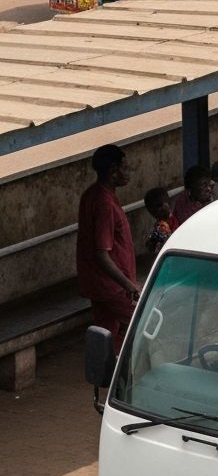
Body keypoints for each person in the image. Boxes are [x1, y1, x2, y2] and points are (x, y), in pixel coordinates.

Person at [77, 145, 139, 352]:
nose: (128, 172)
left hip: (99, 283)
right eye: (126, 168)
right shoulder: (104, 202)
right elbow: (102, 254)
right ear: (114, 170)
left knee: (109, 334)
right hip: (112, 285)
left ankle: (111, 375)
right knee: (141, 323)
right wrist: (129, 285)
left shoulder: (93, 194)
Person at [144, 187, 180, 253]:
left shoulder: (166, 223)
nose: (161, 209)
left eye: (161, 205)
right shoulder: (164, 223)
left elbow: (154, 247)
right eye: (158, 207)